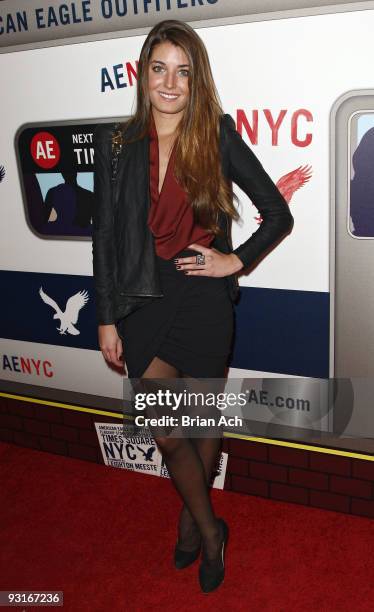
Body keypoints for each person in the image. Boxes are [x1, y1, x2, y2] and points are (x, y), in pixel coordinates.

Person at [92, 19, 294, 593]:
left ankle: (190, 529)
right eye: (160, 69)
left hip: (205, 302)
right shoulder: (116, 144)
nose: (171, 83)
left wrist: (236, 260)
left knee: (202, 425)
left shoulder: (218, 134)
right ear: (143, 75)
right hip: (143, 302)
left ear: (196, 79)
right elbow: (104, 236)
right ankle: (211, 531)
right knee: (166, 429)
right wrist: (106, 316)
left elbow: (277, 213)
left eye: (183, 71)